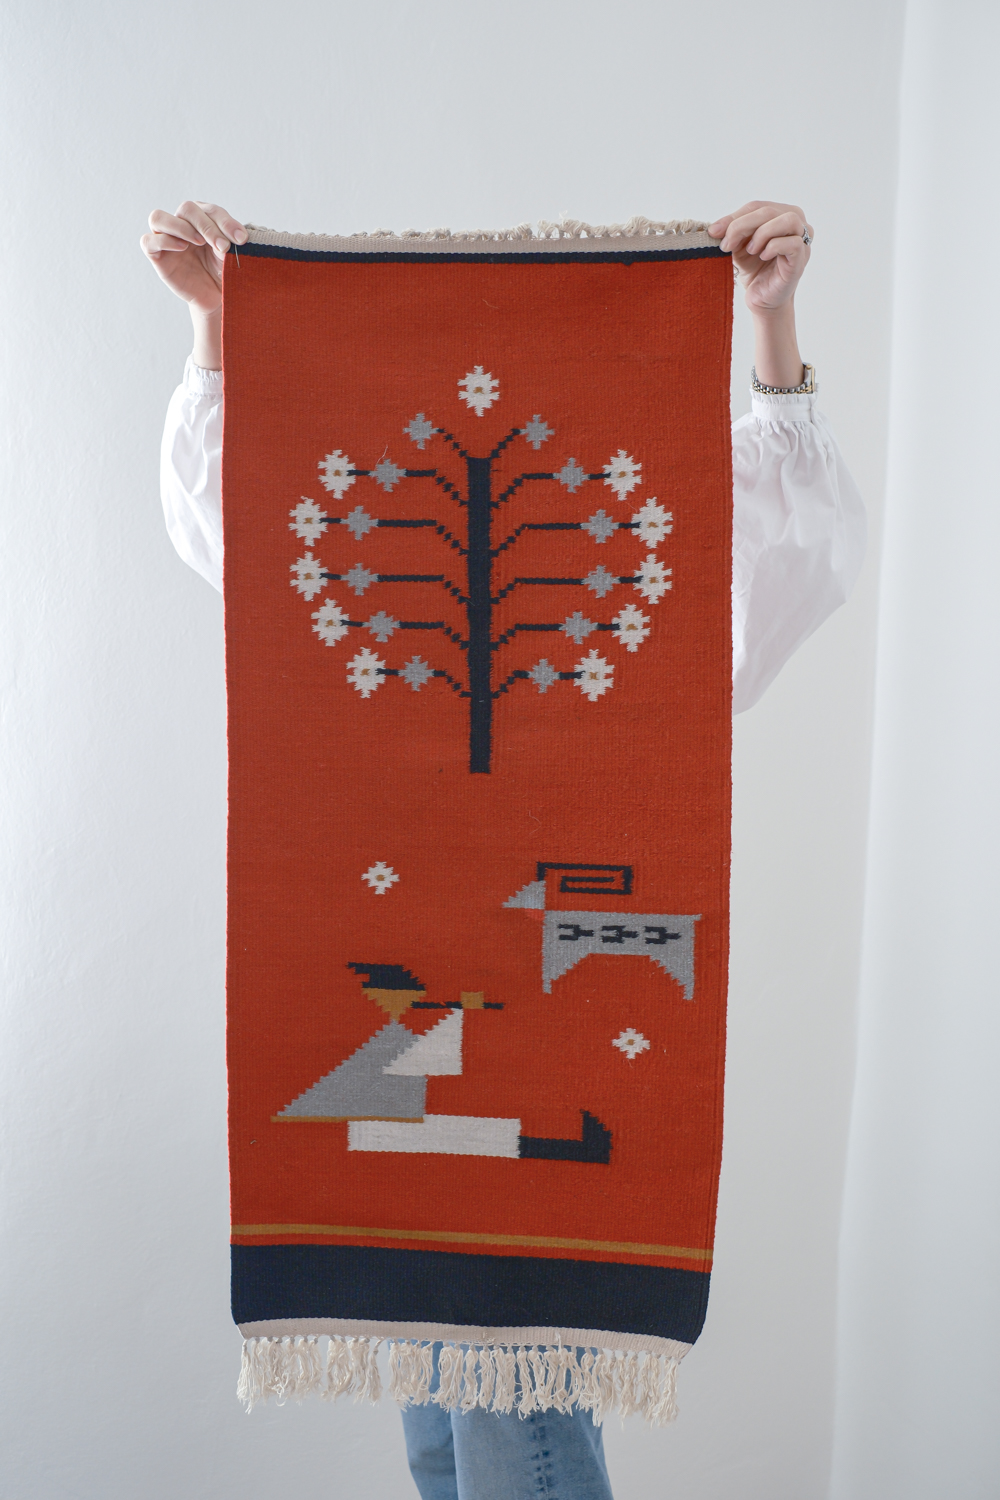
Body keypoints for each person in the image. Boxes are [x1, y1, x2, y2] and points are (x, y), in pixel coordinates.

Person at [141, 199, 866, 1500]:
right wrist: (219, 324)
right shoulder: (369, 590)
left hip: (548, 1006)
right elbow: (238, 520)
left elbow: (786, 556)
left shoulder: (654, 607)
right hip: (408, 943)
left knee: (505, 1406)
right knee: (440, 1408)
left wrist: (769, 326)